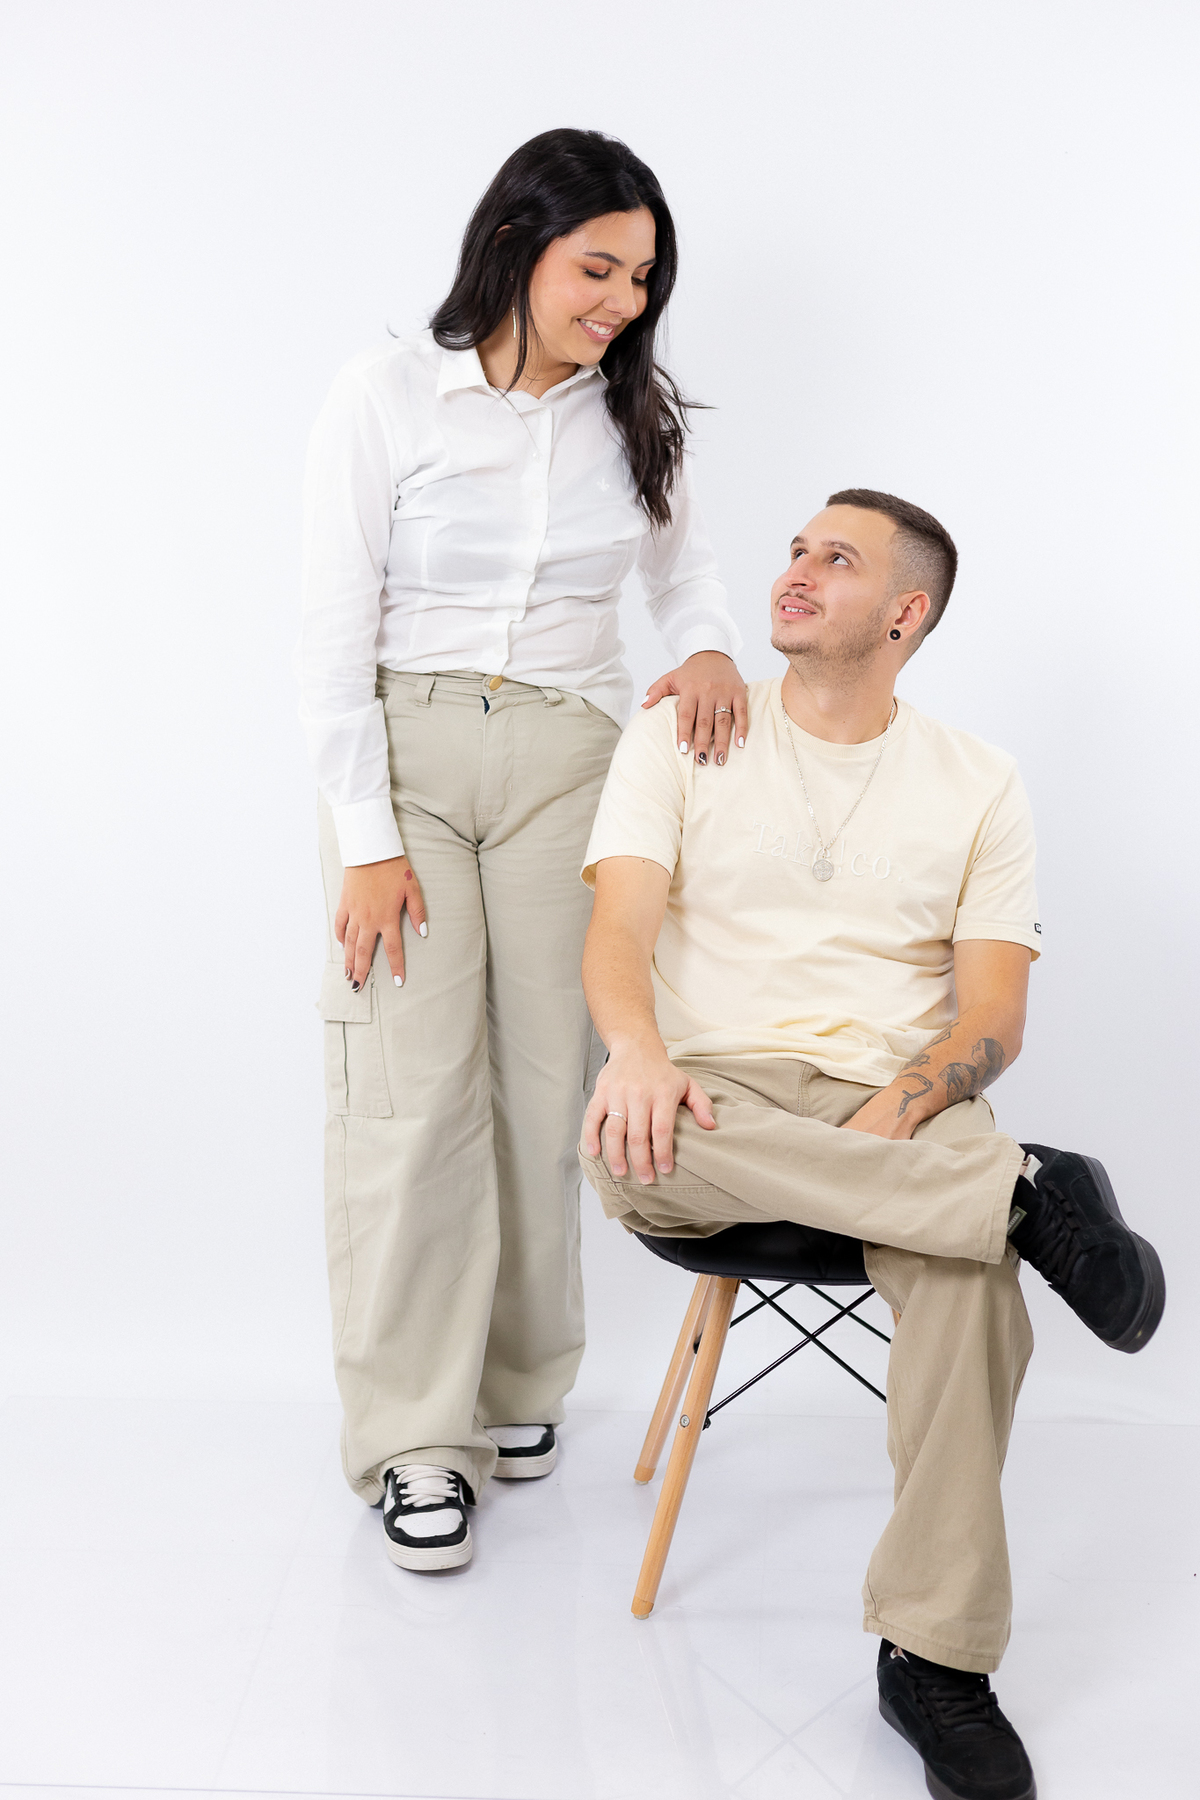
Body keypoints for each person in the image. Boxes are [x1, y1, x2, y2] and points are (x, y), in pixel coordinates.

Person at [578, 488, 1164, 1800]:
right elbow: (617, 931)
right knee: (624, 1148)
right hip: (714, 1095)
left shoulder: (978, 779)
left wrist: (908, 1105)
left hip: (896, 1095)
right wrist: (637, 1050)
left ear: (904, 614)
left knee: (965, 1282)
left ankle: (933, 1658)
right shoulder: (685, 731)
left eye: (833, 561)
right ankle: (1026, 1196)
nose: (794, 572)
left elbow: (992, 1013)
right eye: (795, 550)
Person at [297, 128, 748, 1573]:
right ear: (516, 245)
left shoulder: (636, 416)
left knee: (553, 1086)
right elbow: (329, 633)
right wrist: (364, 836)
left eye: (642, 278)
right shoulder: (384, 396)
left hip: (574, 762)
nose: (621, 301)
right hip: (410, 757)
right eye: (596, 268)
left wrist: (711, 646)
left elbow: (686, 572)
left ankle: (515, 1385)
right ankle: (416, 1438)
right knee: (412, 1096)